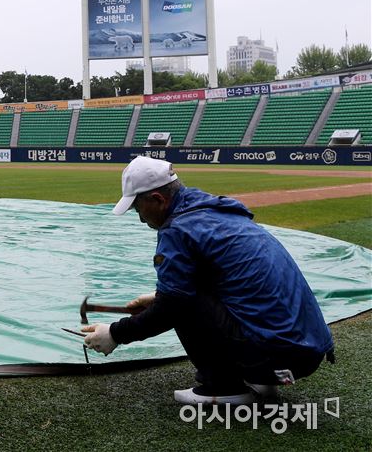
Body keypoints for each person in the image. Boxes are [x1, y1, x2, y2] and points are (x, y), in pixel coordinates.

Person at [82, 156, 334, 405]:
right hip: (307, 351)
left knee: (179, 300)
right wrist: (158, 298)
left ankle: (223, 386)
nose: (140, 218)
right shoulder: (217, 212)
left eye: (138, 209)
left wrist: (115, 334)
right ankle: (261, 376)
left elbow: (175, 305)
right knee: (179, 296)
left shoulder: (177, 229)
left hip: (276, 358)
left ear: (157, 199)